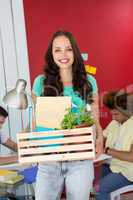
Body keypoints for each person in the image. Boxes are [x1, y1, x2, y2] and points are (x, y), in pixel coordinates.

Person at [32, 30, 103, 200]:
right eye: (57, 50)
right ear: (51, 54)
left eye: (68, 49)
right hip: (49, 159)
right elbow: (37, 120)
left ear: (75, 52)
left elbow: (94, 119)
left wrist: (99, 138)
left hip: (80, 158)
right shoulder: (40, 82)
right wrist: (31, 144)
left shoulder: (89, 81)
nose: (63, 54)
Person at [96, 91, 133, 200]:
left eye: (116, 114)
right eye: (112, 114)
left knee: (100, 187)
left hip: (128, 172)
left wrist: (107, 151)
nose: (113, 118)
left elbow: (131, 157)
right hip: (112, 166)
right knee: (91, 181)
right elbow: (101, 138)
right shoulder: (114, 124)